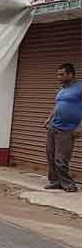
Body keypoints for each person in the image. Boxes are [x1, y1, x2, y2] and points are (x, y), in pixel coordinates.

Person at [44, 62, 81, 192]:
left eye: (62, 74)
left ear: (71, 74)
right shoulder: (61, 89)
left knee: (61, 158)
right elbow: (57, 106)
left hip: (67, 129)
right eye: (58, 74)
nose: (58, 77)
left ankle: (68, 184)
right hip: (53, 127)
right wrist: (49, 119)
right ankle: (55, 181)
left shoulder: (80, 88)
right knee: (50, 155)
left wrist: (80, 127)